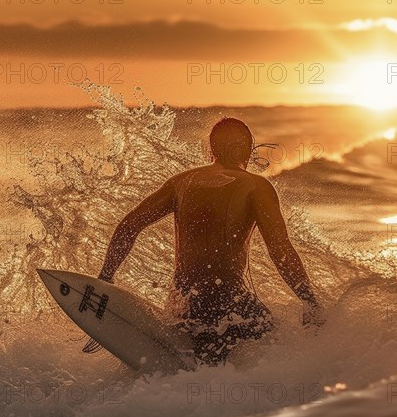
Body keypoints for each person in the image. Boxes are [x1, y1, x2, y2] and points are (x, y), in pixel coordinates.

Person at [98, 117, 323, 365]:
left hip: (182, 304)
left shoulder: (181, 182)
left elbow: (130, 225)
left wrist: (106, 277)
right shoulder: (256, 186)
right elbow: (279, 249)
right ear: (249, 151)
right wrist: (309, 301)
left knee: (201, 365)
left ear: (211, 150)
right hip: (229, 304)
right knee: (285, 347)